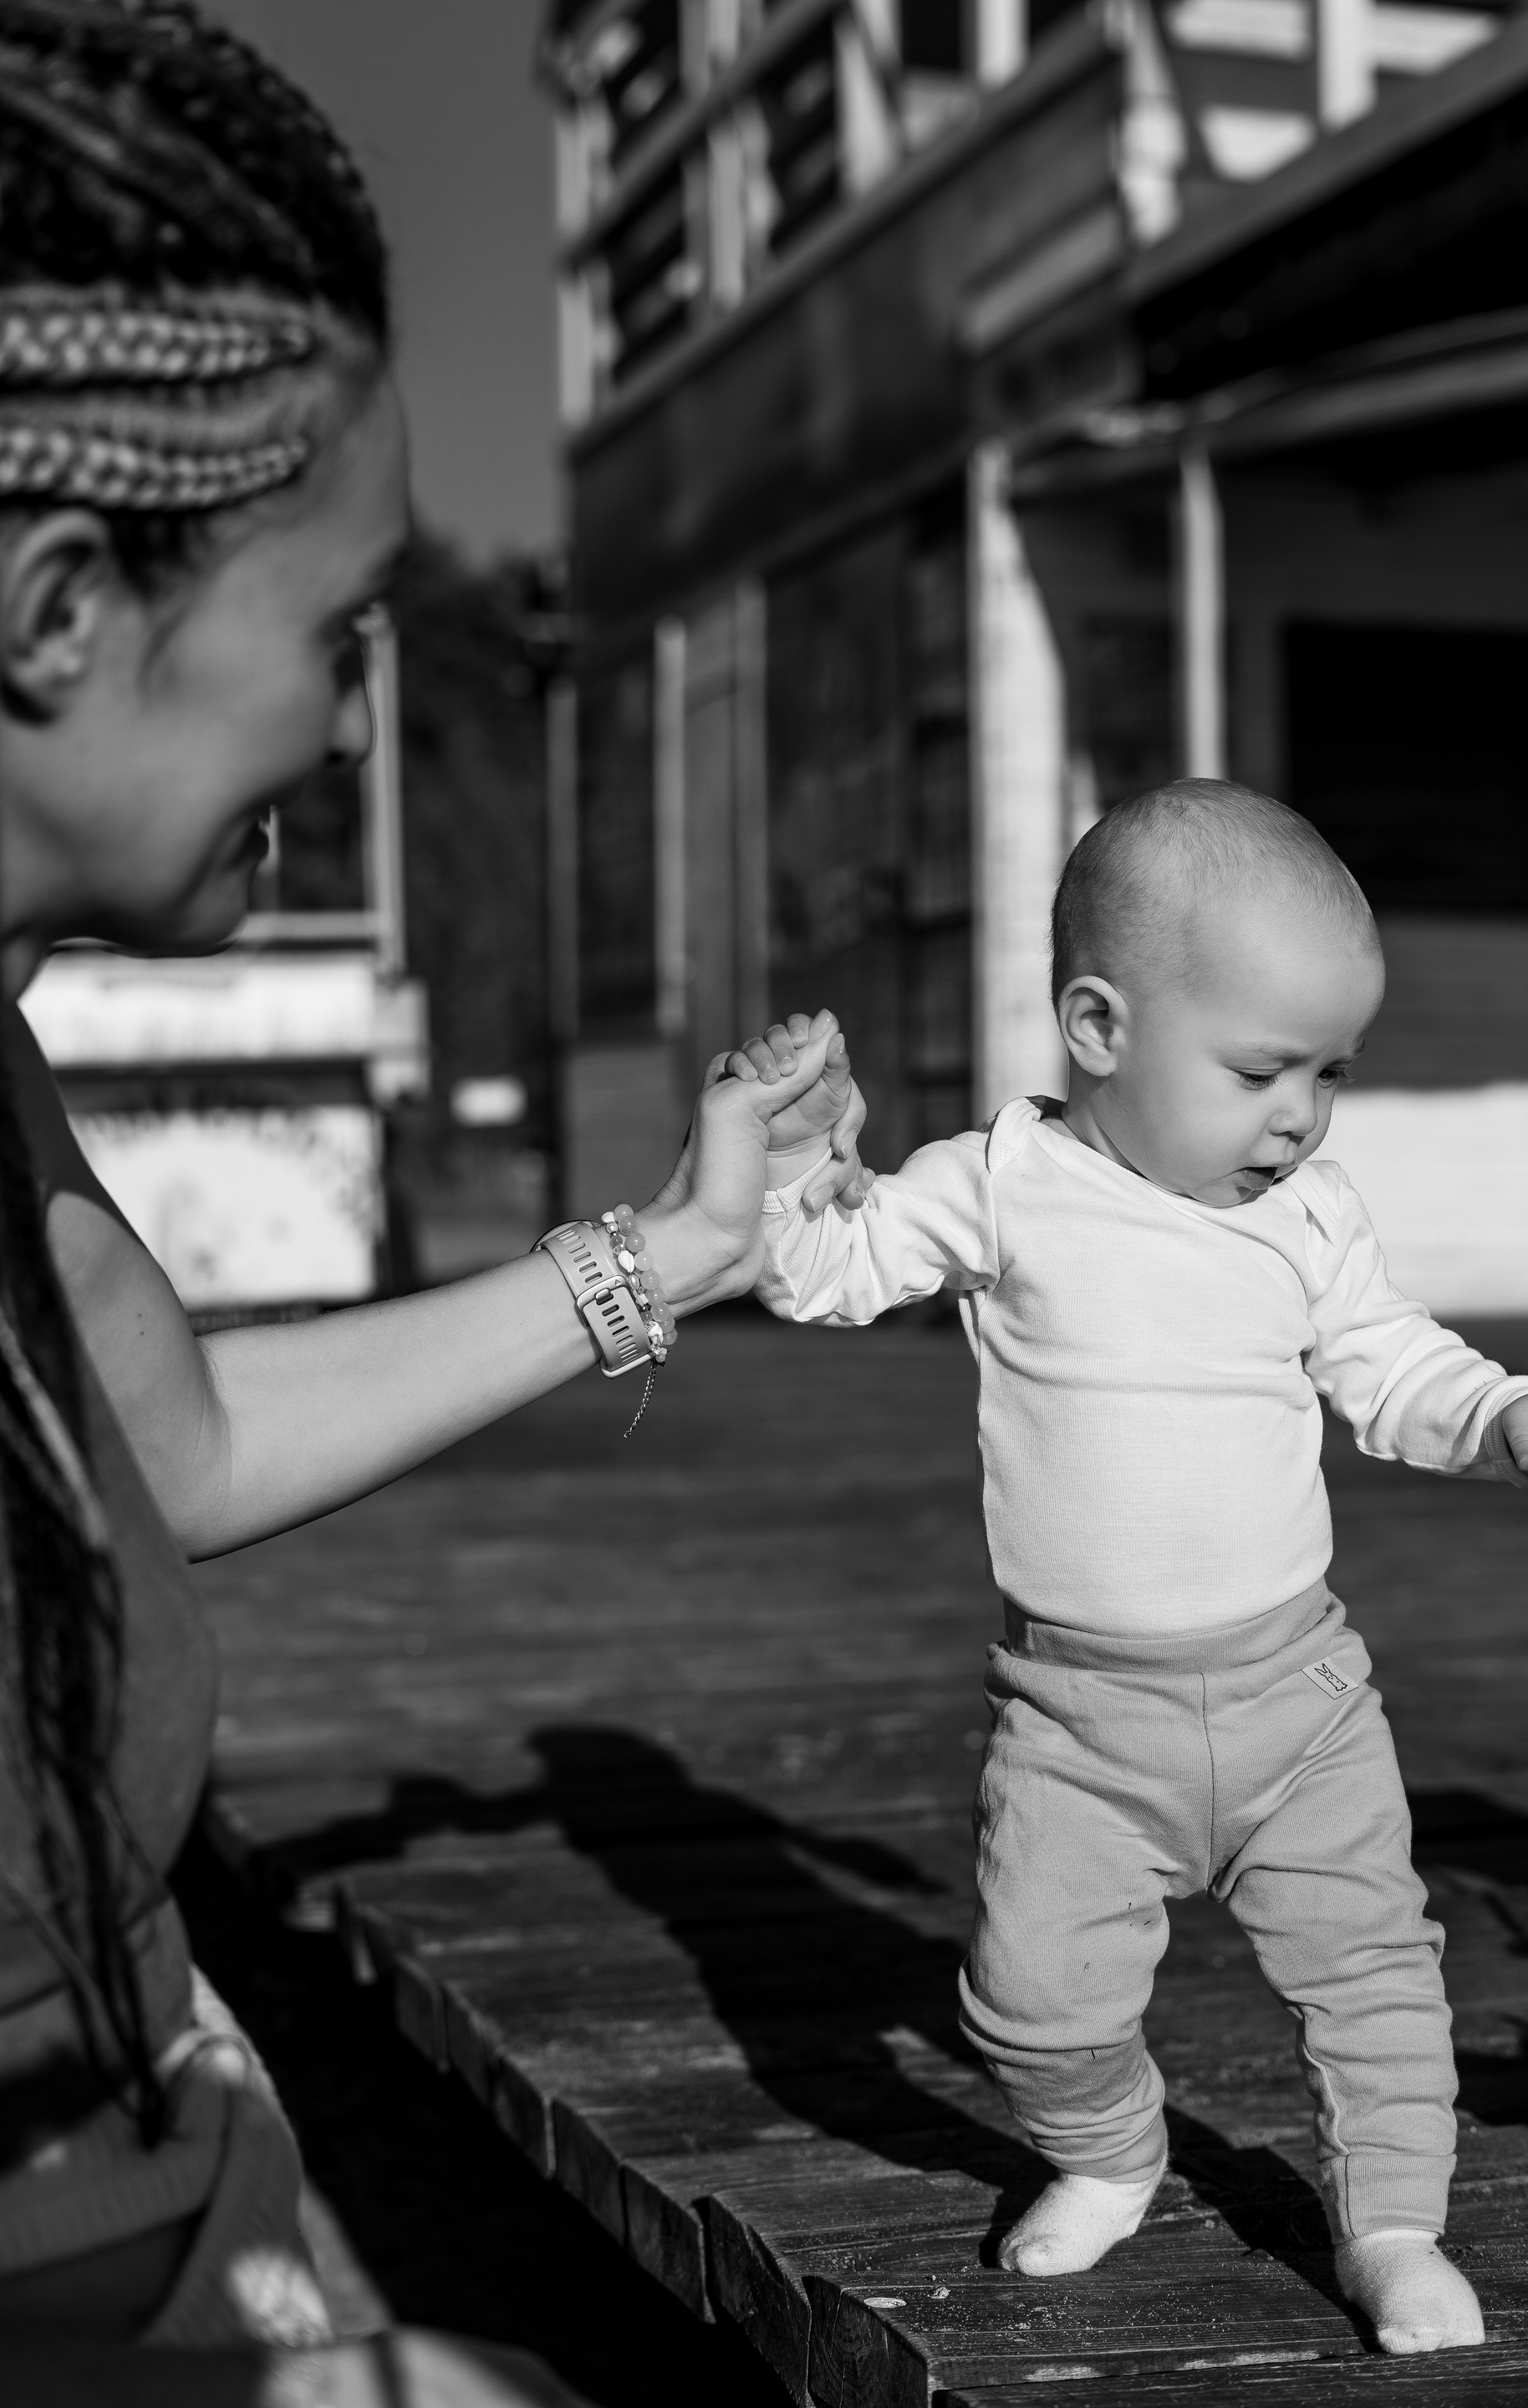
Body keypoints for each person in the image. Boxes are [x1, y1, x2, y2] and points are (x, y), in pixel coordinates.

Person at [0, 0, 864, 2350]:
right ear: (58, 610)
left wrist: (674, 1249)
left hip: (188, 2193)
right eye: (336, 624)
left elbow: (171, 1452)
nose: (363, 711)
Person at [727, 779, 1528, 2358]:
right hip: (1079, 1719)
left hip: (1299, 1704)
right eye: (1262, 1071)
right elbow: (826, 1274)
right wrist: (796, 1163)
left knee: (1377, 1982)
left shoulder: (1309, 1216)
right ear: (1099, 1027)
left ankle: (1392, 2228)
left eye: (1331, 1074)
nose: (1301, 1117)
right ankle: (1109, 2153)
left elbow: (1393, 1364)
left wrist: (1505, 1413)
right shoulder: (1005, 1183)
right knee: (1027, 1998)